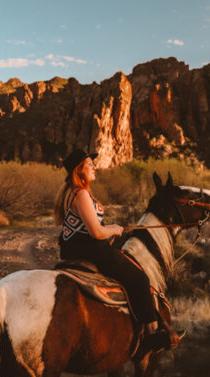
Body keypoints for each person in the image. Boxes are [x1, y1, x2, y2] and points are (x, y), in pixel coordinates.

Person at [54, 149, 179, 351]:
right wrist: (113, 229)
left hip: (72, 249)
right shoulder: (81, 194)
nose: (94, 167)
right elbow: (95, 232)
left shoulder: (69, 192)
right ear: (80, 169)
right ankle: (152, 335)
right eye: (89, 164)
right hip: (91, 250)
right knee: (140, 279)